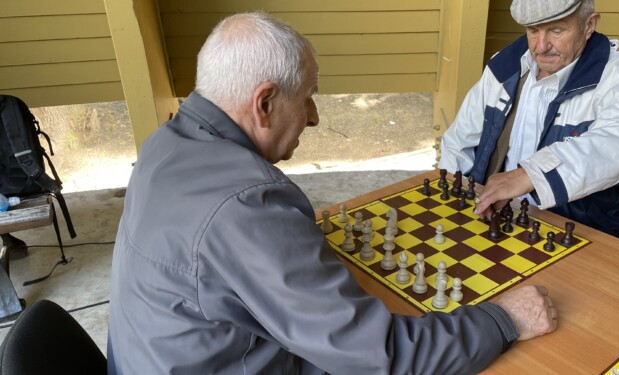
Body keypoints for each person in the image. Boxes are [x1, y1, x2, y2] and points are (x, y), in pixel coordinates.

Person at [107, 12, 557, 375]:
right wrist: (504, 319)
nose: (315, 116)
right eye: (307, 97)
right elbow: (381, 357)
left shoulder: (165, 142)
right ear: (264, 103)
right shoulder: (247, 202)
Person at [439, 0, 619, 247]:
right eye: (533, 30)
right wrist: (450, 204)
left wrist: (532, 174)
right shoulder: (503, 65)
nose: (541, 46)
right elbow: (459, 141)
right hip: (497, 222)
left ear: (589, 25)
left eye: (556, 31)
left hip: (579, 236)